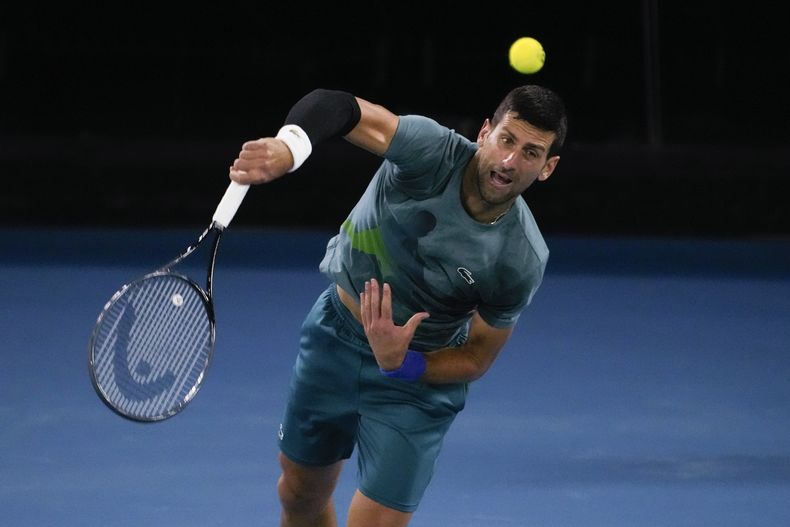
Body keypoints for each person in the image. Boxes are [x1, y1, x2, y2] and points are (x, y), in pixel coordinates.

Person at [228, 85, 567, 527]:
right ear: (485, 132)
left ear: (547, 168)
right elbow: (339, 106)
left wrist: (405, 364)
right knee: (298, 495)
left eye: (530, 153)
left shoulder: (520, 257)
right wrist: (289, 146)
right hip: (335, 336)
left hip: (416, 380)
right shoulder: (430, 150)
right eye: (507, 140)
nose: (509, 162)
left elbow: (478, 355)